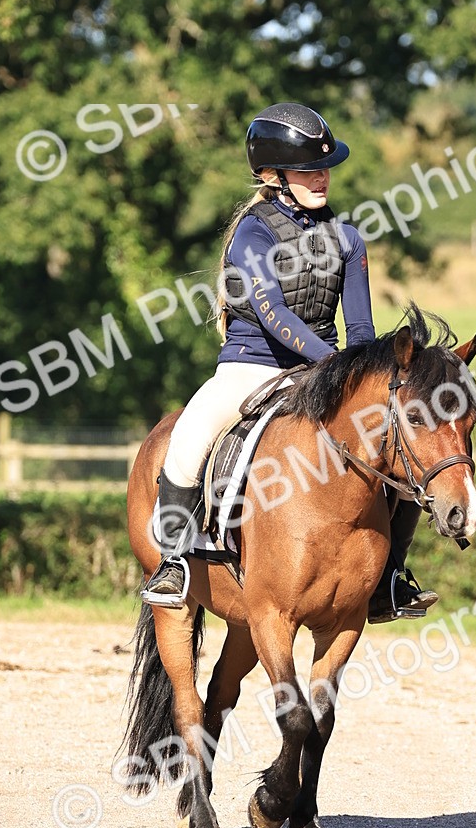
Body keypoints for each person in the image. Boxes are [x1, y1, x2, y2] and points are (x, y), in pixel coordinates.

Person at [142, 101, 437, 622]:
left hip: (323, 371)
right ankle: (175, 562)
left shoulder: (347, 239)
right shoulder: (252, 234)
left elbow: (361, 329)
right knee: (189, 438)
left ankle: (390, 576)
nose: (322, 178)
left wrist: (365, 374)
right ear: (273, 175)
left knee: (403, 446)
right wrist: (335, 363)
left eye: (325, 168)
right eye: (308, 170)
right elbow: (272, 314)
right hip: (252, 366)